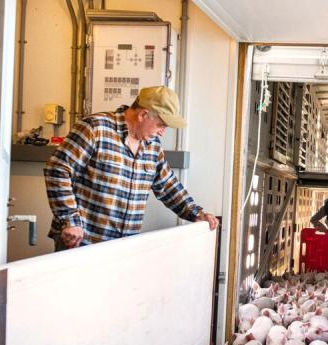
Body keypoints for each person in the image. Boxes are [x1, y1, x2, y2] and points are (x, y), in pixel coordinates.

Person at [44, 86, 218, 250]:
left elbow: (167, 186)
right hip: (83, 243)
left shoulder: (152, 145)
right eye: (161, 124)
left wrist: (196, 213)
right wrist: (70, 220)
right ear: (143, 114)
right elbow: (58, 169)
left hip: (124, 247)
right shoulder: (95, 128)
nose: (162, 132)